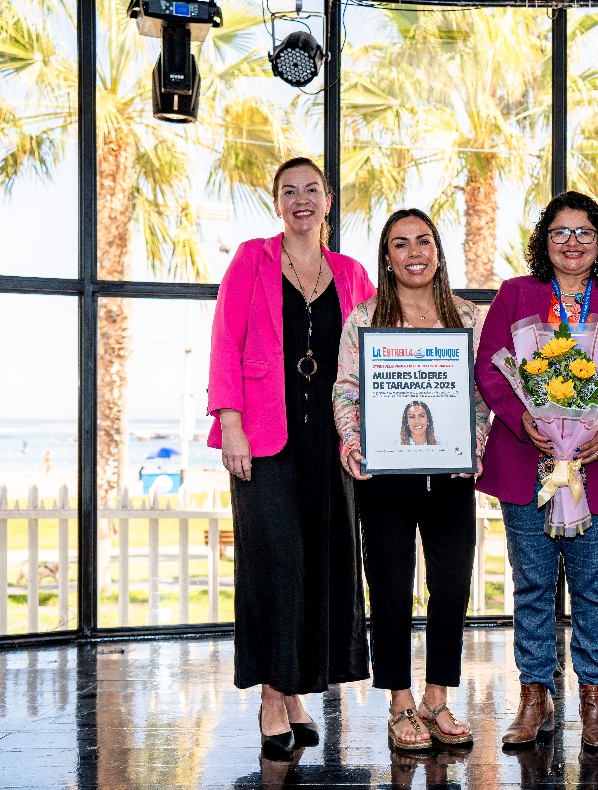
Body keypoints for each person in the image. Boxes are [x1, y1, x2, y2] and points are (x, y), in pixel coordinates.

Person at [475, 190, 598, 751]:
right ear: (544, 241)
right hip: (524, 465)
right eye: (560, 232)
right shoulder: (515, 294)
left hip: (594, 470)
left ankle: (594, 700)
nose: (572, 242)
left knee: (592, 588)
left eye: (584, 232)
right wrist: (522, 418)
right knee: (532, 585)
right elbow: (490, 370)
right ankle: (535, 695)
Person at [207, 156, 374, 758]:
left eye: (312, 189)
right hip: (263, 437)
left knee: (321, 565)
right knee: (275, 564)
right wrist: (230, 424)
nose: (301, 199)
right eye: (289, 191)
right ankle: (272, 699)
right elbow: (225, 341)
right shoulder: (251, 260)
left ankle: (296, 694)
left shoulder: (352, 274)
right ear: (275, 202)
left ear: (328, 200)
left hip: (331, 441)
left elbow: (381, 351)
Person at [334, 208, 490, 751]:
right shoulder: (364, 318)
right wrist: (352, 442)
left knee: (451, 587)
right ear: (387, 257)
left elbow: (484, 395)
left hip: (451, 473)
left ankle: (436, 699)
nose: (414, 252)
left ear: (438, 252)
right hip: (385, 477)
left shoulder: (469, 318)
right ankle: (400, 701)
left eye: (423, 241)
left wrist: (474, 445)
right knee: (391, 588)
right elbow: (347, 390)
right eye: (400, 244)